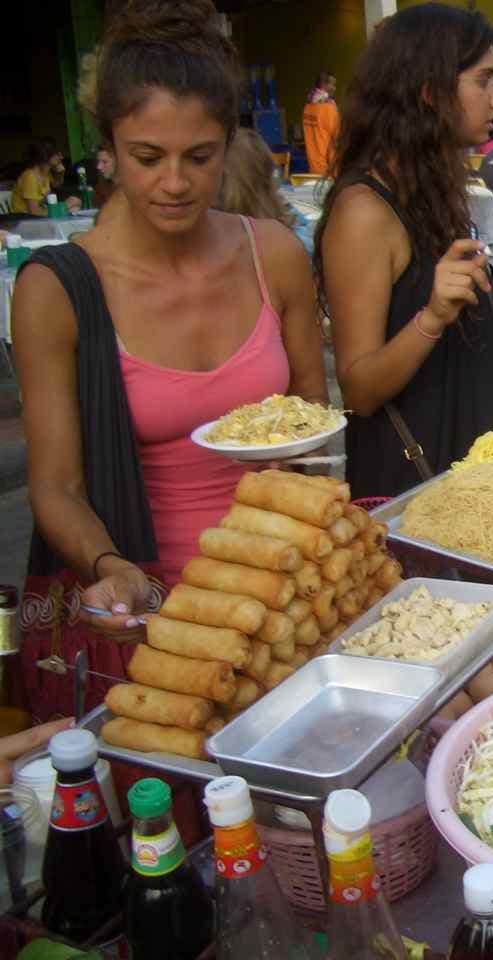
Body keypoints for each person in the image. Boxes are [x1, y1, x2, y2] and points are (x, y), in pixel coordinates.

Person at [12, 0, 327, 694]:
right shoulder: (58, 289)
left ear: (230, 144)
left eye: (200, 157)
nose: (175, 182)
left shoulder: (271, 255)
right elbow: (55, 486)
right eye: (147, 158)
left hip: (284, 602)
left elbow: (314, 425)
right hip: (155, 615)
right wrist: (107, 565)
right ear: (110, 150)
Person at [315, 3, 493, 501]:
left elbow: (441, 329)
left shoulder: (432, 188)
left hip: (472, 480)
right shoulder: (364, 212)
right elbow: (359, 388)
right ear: (430, 92)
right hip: (417, 492)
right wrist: (433, 315)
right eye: (483, 81)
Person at [11, 139, 80, 216]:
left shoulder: (45, 173)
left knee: (75, 207)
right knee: (74, 201)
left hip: (40, 213)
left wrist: (60, 173)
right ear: (46, 156)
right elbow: (34, 212)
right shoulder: (30, 177)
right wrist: (63, 207)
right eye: (56, 154)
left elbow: (57, 184)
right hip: (26, 219)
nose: (61, 157)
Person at [302, 69, 340, 175]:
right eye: (332, 85)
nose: (334, 88)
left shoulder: (307, 107)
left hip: (312, 168)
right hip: (328, 170)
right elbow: (338, 139)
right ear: (323, 84)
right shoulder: (329, 108)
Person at [92, 144, 116, 209]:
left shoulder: (134, 187)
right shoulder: (103, 184)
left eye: (105, 162)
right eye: (98, 162)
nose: (99, 167)